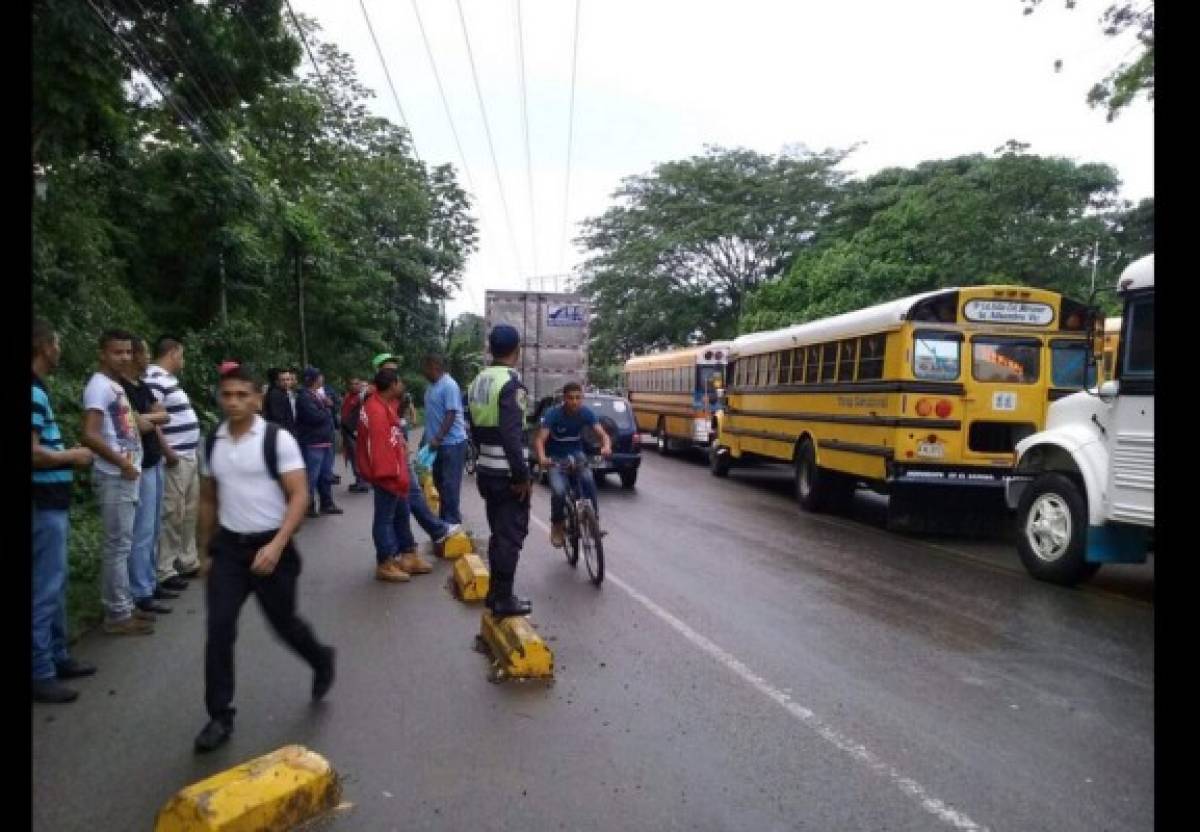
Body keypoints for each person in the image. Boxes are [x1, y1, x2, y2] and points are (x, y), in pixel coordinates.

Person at [193, 365, 335, 753]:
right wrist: (204, 551)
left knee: (284, 623)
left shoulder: (278, 440)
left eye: (242, 395)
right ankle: (220, 714)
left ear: (257, 398)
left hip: (274, 547)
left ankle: (320, 658)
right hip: (229, 552)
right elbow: (207, 498)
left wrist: (276, 545)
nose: (234, 402)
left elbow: (300, 495)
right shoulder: (212, 442)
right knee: (220, 629)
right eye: (227, 395)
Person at [32, 319, 97, 703]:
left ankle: (57, 655)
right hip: (41, 504)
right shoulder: (33, 393)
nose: (60, 351)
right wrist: (72, 456)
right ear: (43, 347)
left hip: (49, 503)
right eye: (56, 344)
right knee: (44, 587)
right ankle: (40, 670)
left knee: (54, 584)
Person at [81, 330, 154, 635]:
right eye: (117, 352)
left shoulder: (115, 386)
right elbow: (90, 434)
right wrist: (123, 462)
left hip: (126, 473)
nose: (124, 357)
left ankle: (123, 606)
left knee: (123, 543)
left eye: (127, 352)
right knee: (117, 546)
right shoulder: (98, 387)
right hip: (114, 476)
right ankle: (117, 614)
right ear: (102, 353)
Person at [467, 325, 533, 617]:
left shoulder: (478, 381)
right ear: (516, 351)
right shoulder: (510, 383)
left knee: (498, 534)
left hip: (486, 470)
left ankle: (496, 594)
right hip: (507, 475)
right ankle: (503, 599)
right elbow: (511, 433)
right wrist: (521, 476)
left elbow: (475, 427)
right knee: (510, 537)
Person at [356, 368, 435, 582]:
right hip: (388, 476)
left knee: (401, 514)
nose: (402, 386)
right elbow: (378, 450)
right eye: (399, 382)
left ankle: (408, 554)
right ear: (392, 385)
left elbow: (392, 435)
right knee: (384, 519)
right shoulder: (375, 411)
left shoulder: (382, 404)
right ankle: (385, 562)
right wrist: (392, 475)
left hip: (396, 474)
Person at [122, 336, 174, 617]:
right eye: (143, 352)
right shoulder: (123, 389)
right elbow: (135, 424)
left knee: (154, 527)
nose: (146, 357)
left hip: (154, 460)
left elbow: (160, 416)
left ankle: (151, 581)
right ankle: (141, 591)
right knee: (141, 531)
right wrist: (148, 418)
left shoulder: (141, 386)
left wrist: (149, 418)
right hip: (139, 463)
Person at [146, 336, 202, 591]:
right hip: (175, 456)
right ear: (173, 353)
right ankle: (165, 568)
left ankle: (187, 559)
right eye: (182, 355)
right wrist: (165, 450)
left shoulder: (170, 381)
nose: (183, 360)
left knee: (189, 511)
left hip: (188, 454)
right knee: (172, 512)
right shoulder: (154, 379)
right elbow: (151, 418)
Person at [533, 382, 613, 548]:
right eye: (571, 398)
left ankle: (593, 524)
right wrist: (542, 458)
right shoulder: (553, 414)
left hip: (576, 455)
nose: (575, 402)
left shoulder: (586, 413)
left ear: (582, 398)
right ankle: (557, 526)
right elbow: (540, 440)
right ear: (564, 399)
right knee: (559, 491)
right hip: (555, 458)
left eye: (578, 398)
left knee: (588, 480)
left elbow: (603, 435)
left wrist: (606, 446)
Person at [420, 353, 468, 526]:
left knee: (450, 486)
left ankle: (452, 525)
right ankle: (445, 522)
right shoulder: (431, 387)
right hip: (437, 446)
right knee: (439, 484)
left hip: (452, 444)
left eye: (425, 367)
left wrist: (438, 437)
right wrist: (426, 442)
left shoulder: (449, 385)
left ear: (434, 366)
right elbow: (432, 417)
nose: (423, 372)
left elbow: (451, 413)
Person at [294, 367, 343, 518]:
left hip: (324, 440)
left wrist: (329, 406)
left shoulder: (318, 394)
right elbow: (314, 417)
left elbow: (334, 406)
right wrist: (327, 408)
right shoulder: (304, 397)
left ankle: (326, 503)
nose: (322, 379)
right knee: (311, 476)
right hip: (313, 442)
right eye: (320, 376)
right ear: (314, 379)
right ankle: (308, 506)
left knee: (326, 475)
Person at [340, 378, 370, 493]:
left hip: (355, 432)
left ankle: (362, 482)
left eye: (357, 384)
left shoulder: (361, 398)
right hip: (347, 431)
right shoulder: (348, 397)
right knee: (353, 457)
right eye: (352, 383)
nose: (354, 386)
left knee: (358, 457)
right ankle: (359, 480)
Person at [263, 367, 297, 434]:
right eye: (283, 380)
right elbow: (279, 419)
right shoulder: (276, 395)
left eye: (288, 380)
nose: (286, 382)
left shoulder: (284, 393)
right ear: (277, 381)